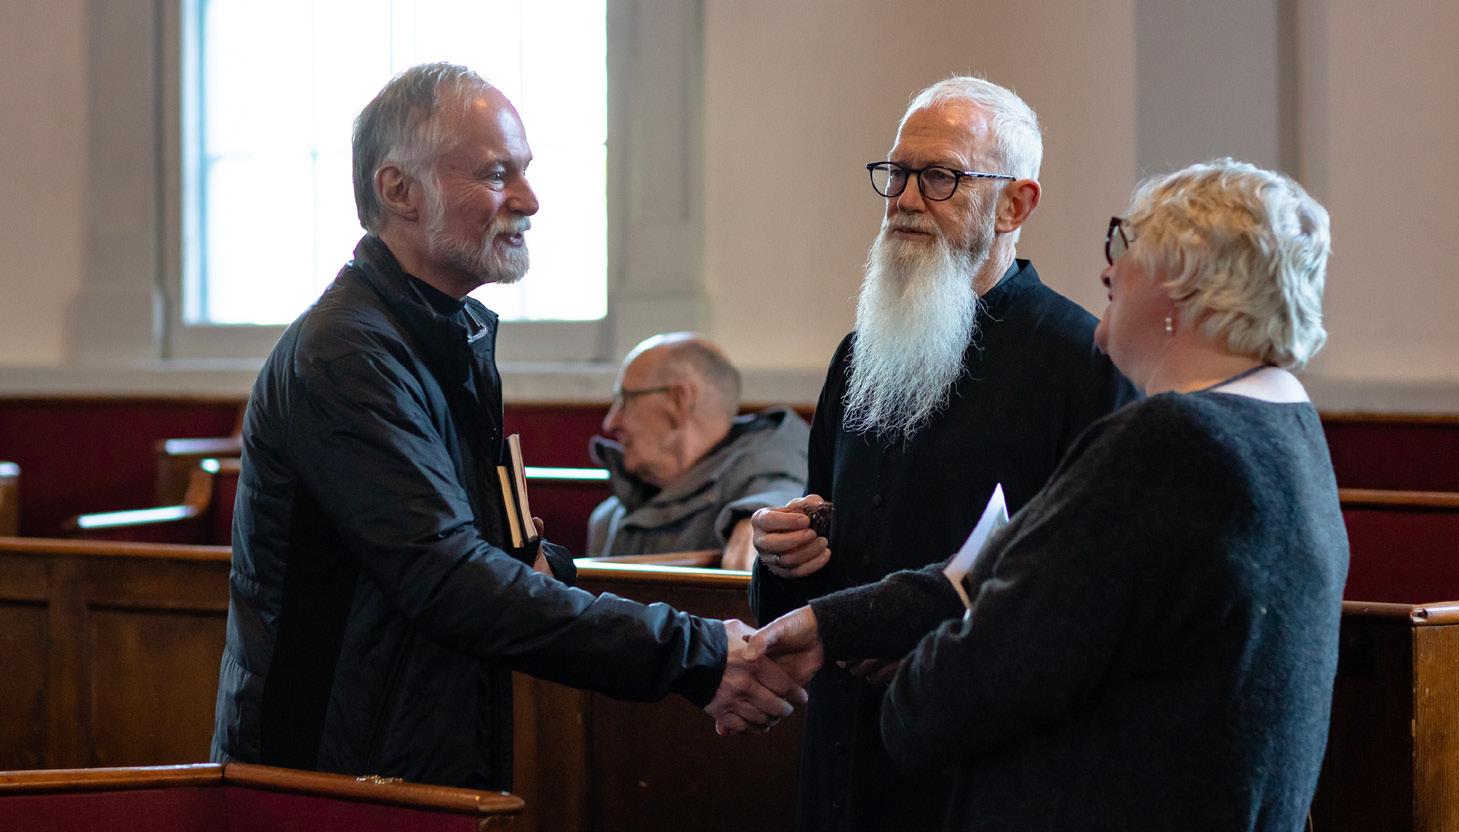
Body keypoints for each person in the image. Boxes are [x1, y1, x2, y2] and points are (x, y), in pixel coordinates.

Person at [209, 63, 805, 791]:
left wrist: (551, 567)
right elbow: (448, 577)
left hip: (409, 760)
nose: (529, 199)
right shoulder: (345, 354)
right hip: (329, 782)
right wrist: (694, 654)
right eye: (497, 174)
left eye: (523, 171)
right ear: (399, 190)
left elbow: (491, 555)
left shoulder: (442, 334)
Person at [748, 159, 1347, 831]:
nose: (1108, 271)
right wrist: (835, 624)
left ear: (1185, 287)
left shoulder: (1170, 442)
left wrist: (915, 671)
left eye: (1128, 243)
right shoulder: (1282, 424)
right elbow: (1017, 567)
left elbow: (968, 682)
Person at [747, 76, 1138, 831]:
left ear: (1015, 205)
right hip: (844, 763)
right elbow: (825, 545)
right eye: (896, 174)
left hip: (983, 775)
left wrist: (944, 655)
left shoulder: (1082, 364)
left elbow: (1086, 597)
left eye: (939, 178)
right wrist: (785, 554)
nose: (904, 199)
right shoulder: (858, 356)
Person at [588, 333, 808, 569]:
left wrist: (760, 521)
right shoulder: (607, 520)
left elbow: (785, 493)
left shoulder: (764, 476)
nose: (610, 422)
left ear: (679, 400)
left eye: (625, 400)